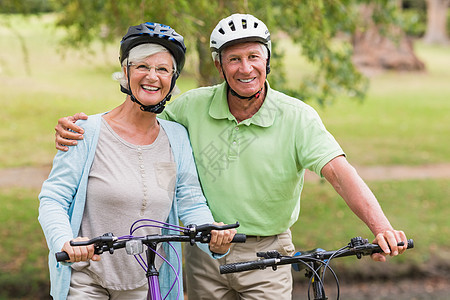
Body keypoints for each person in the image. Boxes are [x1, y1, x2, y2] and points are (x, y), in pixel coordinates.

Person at [53, 14, 408, 300]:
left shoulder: (297, 116)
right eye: (234, 59)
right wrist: (83, 127)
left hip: (269, 252)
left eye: (254, 56)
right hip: (204, 251)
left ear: (267, 60)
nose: (245, 68)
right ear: (219, 65)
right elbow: (139, 119)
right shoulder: (191, 108)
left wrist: (381, 228)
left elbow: (338, 173)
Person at [39, 22, 236, 300]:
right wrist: (64, 240)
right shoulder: (86, 132)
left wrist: (211, 235)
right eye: (142, 66)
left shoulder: (176, 137)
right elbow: (53, 198)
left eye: (163, 69)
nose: (152, 77)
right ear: (125, 72)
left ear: (173, 78)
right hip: (86, 278)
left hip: (146, 280)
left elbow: (190, 199)